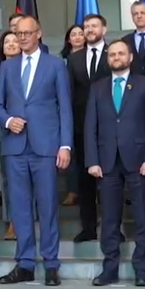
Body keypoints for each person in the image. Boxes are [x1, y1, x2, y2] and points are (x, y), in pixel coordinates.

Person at [0, 15, 72, 286]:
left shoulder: (55, 65)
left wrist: (65, 145)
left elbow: (65, 107)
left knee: (47, 206)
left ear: (39, 34)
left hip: (46, 146)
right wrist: (7, 120)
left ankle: (50, 264)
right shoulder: (7, 67)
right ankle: (24, 264)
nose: (23, 37)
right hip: (15, 147)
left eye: (27, 33)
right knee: (20, 208)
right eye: (19, 33)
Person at [85, 39, 145, 287]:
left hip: (139, 160)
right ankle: (110, 268)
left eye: (121, 54)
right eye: (112, 54)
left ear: (130, 57)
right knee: (109, 218)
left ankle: (141, 268)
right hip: (106, 162)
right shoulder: (98, 88)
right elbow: (90, 126)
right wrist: (92, 160)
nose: (116, 57)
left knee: (142, 216)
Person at [66, 14, 110, 242]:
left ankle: (113, 228)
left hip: (111, 127)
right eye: (87, 27)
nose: (90, 30)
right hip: (82, 128)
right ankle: (88, 228)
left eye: (94, 26)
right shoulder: (74, 59)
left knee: (111, 180)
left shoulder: (114, 53)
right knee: (85, 181)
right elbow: (69, 95)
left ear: (104, 29)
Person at [0, 30, 22, 240]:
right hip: (5, 130)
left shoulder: (31, 68)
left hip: (30, 129)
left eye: (14, 40)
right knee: (8, 179)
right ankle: (12, 222)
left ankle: (29, 220)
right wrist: (7, 118)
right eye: (6, 41)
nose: (10, 44)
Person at [59, 24, 85, 206]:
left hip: (85, 110)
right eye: (73, 34)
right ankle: (72, 190)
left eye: (80, 34)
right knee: (71, 151)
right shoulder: (61, 62)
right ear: (68, 39)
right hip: (68, 111)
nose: (77, 37)